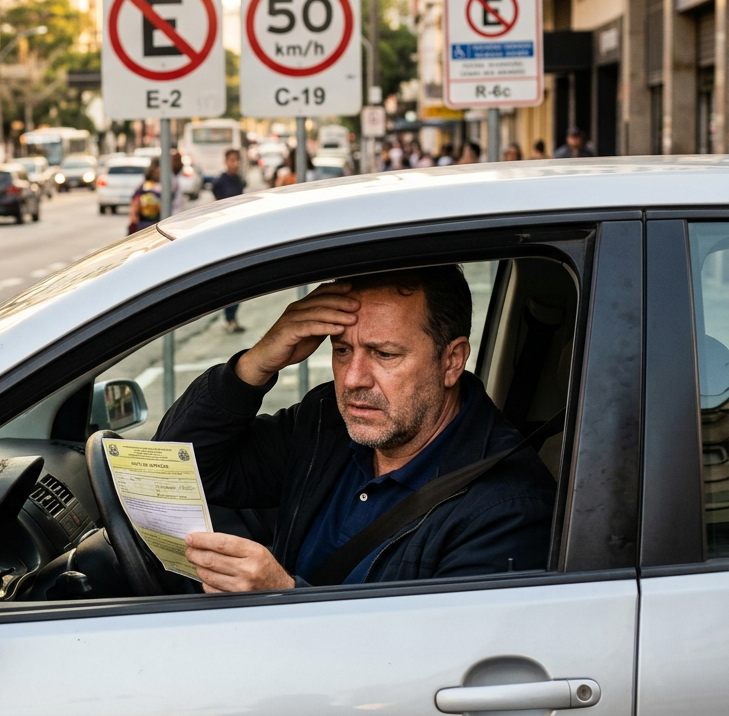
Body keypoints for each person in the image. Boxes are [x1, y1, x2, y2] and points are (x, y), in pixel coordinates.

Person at [157, 267, 556, 592]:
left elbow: (439, 657)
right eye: (342, 350)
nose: (352, 379)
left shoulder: (507, 508)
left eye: (384, 354)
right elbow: (175, 472)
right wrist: (256, 364)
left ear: (452, 361)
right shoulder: (326, 424)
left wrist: (283, 597)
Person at [210, 150, 248, 333]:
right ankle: (229, 316)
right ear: (225, 161)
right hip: (225, 235)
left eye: (237, 160)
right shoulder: (220, 182)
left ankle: (232, 316)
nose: (235, 164)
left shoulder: (239, 181)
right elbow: (216, 206)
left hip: (237, 233)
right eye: (232, 160)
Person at [128, 159, 165, 235]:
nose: (157, 174)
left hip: (156, 225)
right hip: (146, 225)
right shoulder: (143, 188)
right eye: (155, 172)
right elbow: (134, 208)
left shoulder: (162, 187)